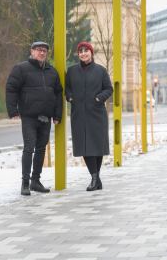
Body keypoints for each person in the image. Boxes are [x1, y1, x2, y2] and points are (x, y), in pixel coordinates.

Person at [6, 41, 63, 196]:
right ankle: (25, 183)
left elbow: (58, 94)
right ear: (31, 51)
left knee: (41, 149)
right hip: (29, 116)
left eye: (44, 50)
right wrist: (13, 111)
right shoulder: (21, 69)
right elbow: (11, 89)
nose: (42, 53)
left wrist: (57, 115)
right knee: (29, 148)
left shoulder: (52, 72)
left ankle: (35, 181)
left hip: (46, 117)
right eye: (38, 50)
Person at [65, 41, 113, 191]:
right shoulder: (72, 71)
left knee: (97, 146)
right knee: (85, 146)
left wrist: (99, 98)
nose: (83, 53)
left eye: (86, 51)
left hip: (97, 113)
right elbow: (67, 88)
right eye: (80, 51)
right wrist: (70, 97)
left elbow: (109, 89)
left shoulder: (101, 71)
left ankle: (95, 179)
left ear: (91, 53)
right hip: (79, 114)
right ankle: (95, 178)